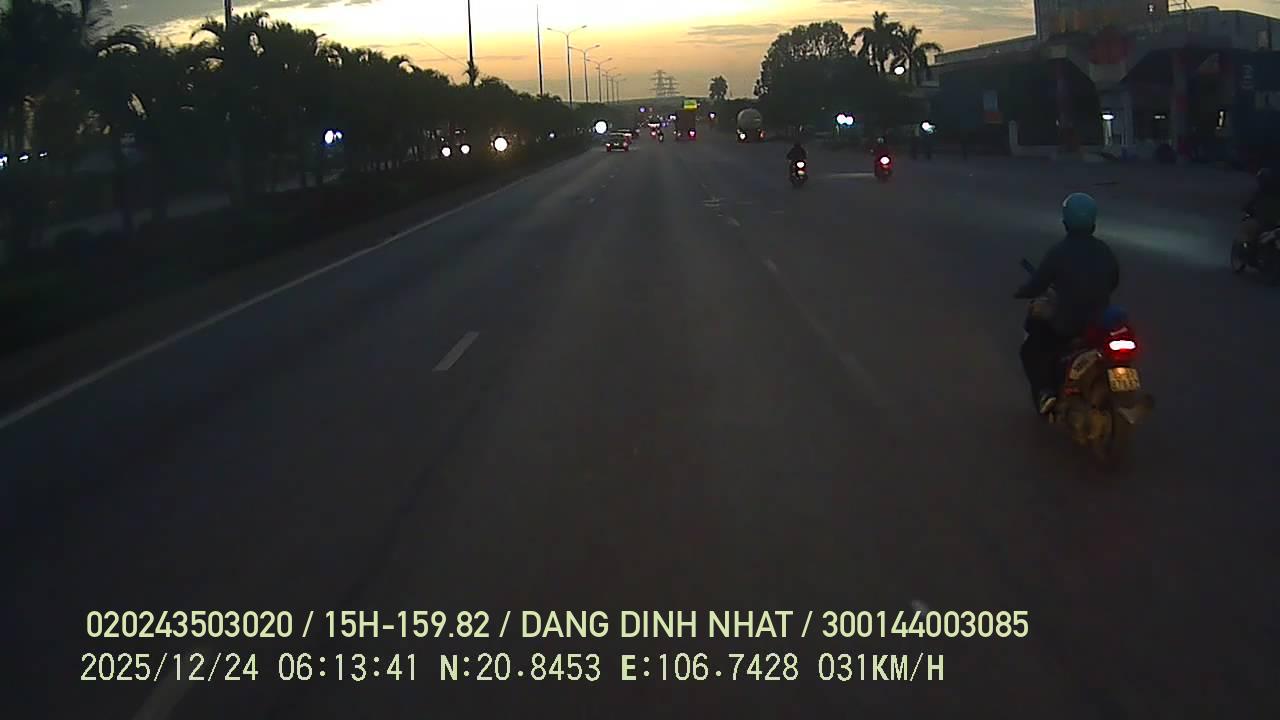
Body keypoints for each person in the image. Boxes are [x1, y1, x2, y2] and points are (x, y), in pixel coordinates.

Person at [1014, 193, 1120, 415]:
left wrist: (1021, 292)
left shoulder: (1058, 252)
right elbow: (1113, 281)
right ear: (1093, 223)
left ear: (1065, 222)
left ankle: (1045, 392)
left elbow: (1037, 284)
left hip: (1067, 325)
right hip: (1099, 321)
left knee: (1032, 347)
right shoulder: (1105, 251)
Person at [1242, 168, 1280, 246]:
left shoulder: (1261, 193)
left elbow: (1249, 205)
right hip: (1268, 223)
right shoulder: (1260, 193)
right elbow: (1248, 205)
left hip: (1268, 223)